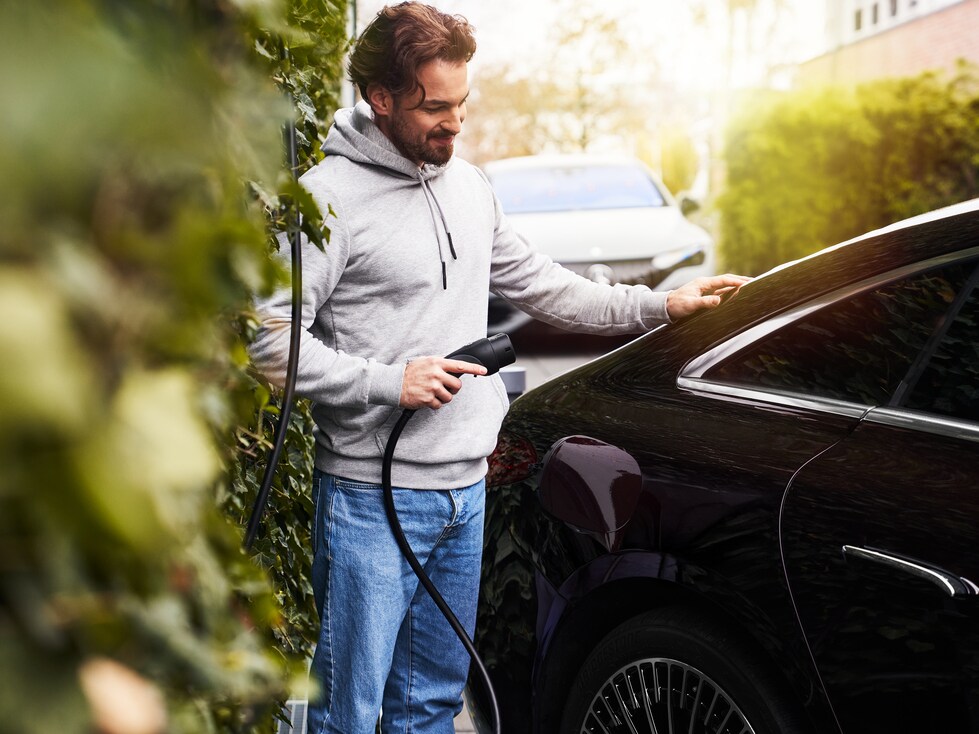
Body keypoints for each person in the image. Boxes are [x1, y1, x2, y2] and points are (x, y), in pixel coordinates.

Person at [249, 3, 748, 732]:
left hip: (465, 491)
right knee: (349, 712)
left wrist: (660, 306)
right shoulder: (328, 202)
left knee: (429, 703)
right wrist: (389, 382)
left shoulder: (471, 186)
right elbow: (267, 339)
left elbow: (547, 286)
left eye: (461, 104)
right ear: (380, 99)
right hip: (367, 500)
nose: (453, 123)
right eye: (433, 107)